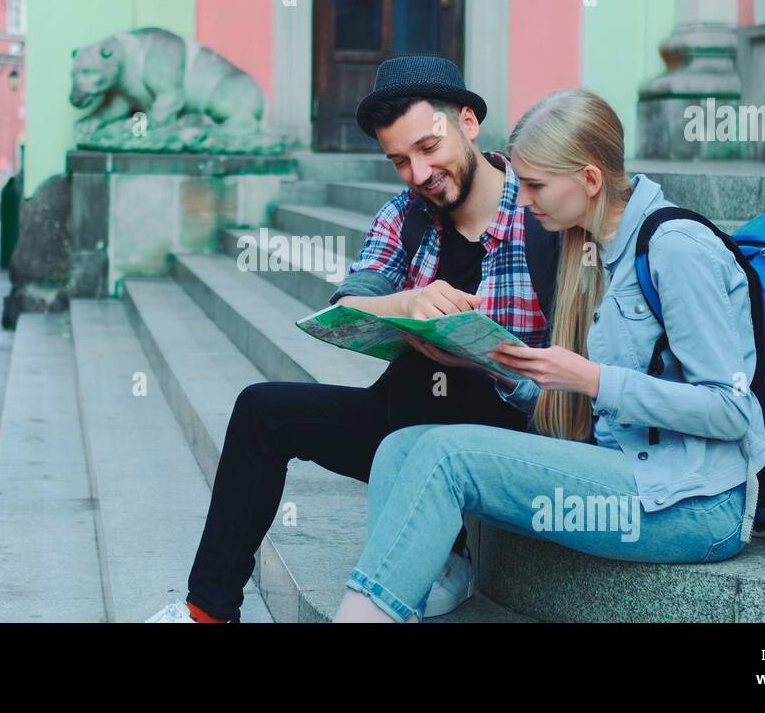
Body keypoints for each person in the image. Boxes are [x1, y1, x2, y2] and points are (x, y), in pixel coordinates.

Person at [333, 88, 765, 623]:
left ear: (589, 179)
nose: (522, 200)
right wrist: (492, 367)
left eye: (536, 185)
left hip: (695, 504)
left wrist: (593, 380)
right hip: (626, 469)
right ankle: (401, 599)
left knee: (448, 455)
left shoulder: (676, 248)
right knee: (402, 447)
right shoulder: (585, 248)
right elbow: (585, 406)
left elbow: (731, 411)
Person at [146, 56, 560, 622]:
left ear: (467, 121)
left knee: (450, 380)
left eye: (427, 148)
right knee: (262, 410)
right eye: (400, 161)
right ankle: (207, 613)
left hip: (510, 434)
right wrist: (408, 305)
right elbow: (349, 303)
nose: (418, 173)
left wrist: (490, 361)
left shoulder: (541, 211)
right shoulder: (407, 215)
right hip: (408, 421)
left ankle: (448, 551)